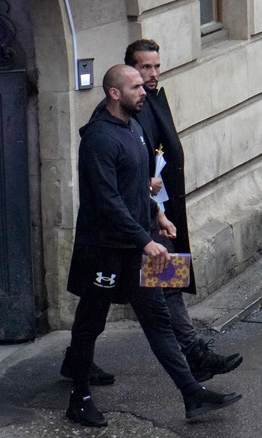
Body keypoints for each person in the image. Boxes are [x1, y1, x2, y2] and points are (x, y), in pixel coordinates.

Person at [63, 64, 241, 428]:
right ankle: (79, 398)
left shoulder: (136, 129)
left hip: (135, 248)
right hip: (104, 250)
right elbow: (107, 199)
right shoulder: (98, 138)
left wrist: (156, 216)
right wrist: (146, 241)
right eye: (135, 86)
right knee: (89, 324)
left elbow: (135, 187)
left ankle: (192, 394)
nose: (144, 90)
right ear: (114, 93)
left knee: (158, 319)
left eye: (143, 86)